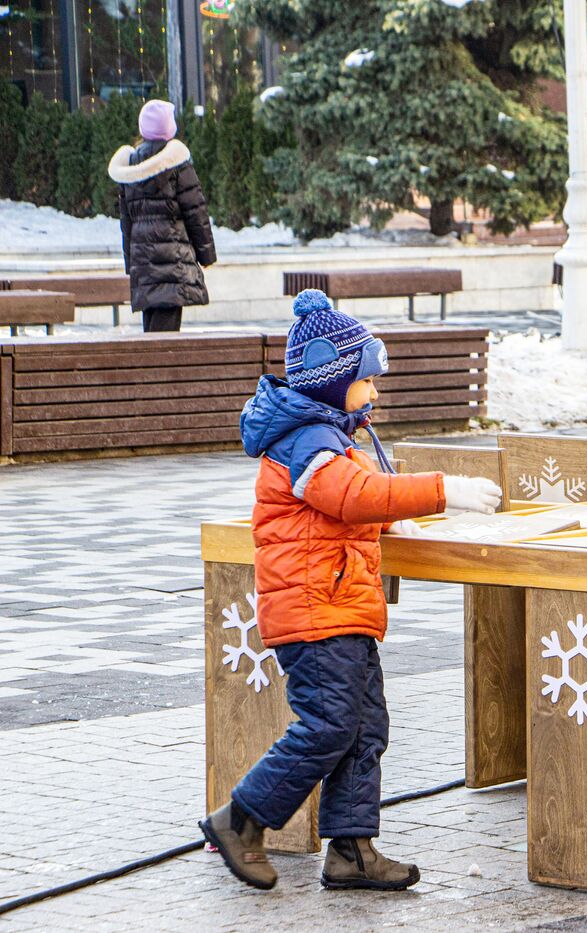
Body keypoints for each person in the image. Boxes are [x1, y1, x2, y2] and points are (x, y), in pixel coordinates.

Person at [200, 289, 503, 891]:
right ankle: (241, 819)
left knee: (365, 726)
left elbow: (346, 505)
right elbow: (349, 496)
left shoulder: (330, 437)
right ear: (331, 381)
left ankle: (352, 850)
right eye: (366, 382)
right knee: (331, 724)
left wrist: (393, 521)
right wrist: (443, 489)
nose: (374, 394)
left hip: (341, 606)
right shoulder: (304, 440)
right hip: (315, 612)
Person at [107, 99, 216, 333]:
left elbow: (126, 223)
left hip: (144, 264)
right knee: (167, 339)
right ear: (170, 129)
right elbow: (196, 211)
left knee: (153, 334)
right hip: (173, 262)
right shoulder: (177, 164)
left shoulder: (130, 168)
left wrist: (131, 263)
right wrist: (206, 254)